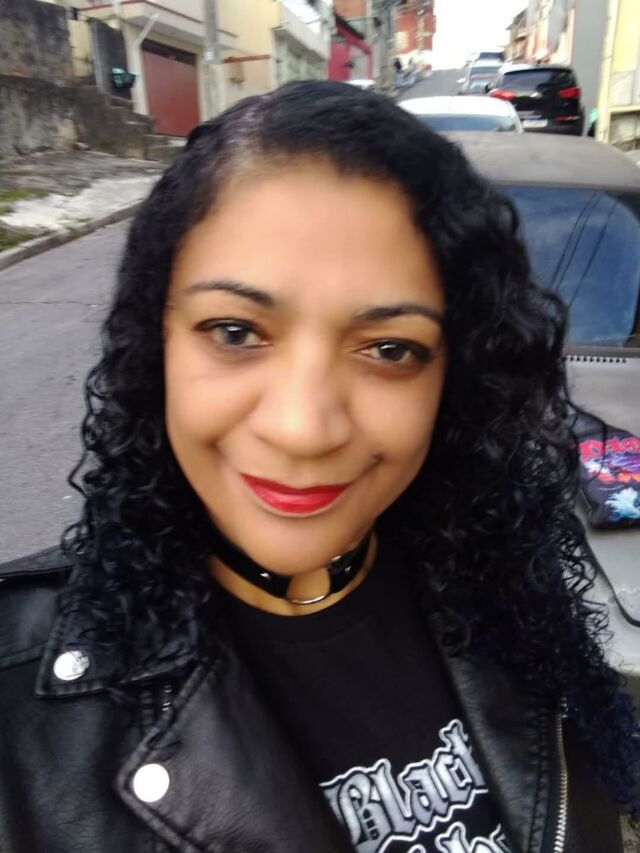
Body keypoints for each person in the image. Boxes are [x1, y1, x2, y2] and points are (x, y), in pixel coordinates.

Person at [0, 81, 637, 853]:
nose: (302, 429)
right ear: (155, 345)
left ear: (453, 382)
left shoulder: (502, 596)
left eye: (390, 349)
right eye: (235, 332)